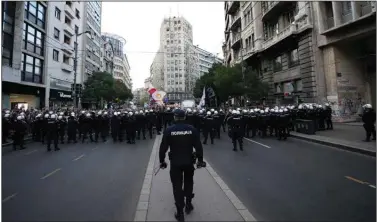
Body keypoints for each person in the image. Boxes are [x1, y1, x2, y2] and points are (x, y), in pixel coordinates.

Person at [159, 109, 206, 222]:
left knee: (177, 186)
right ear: (185, 117)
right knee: (189, 182)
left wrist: (162, 161)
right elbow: (198, 146)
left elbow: (163, 148)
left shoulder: (169, 130)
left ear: (174, 117)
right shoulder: (192, 129)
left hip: (175, 162)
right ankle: (188, 205)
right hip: (189, 161)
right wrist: (200, 160)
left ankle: (180, 213)